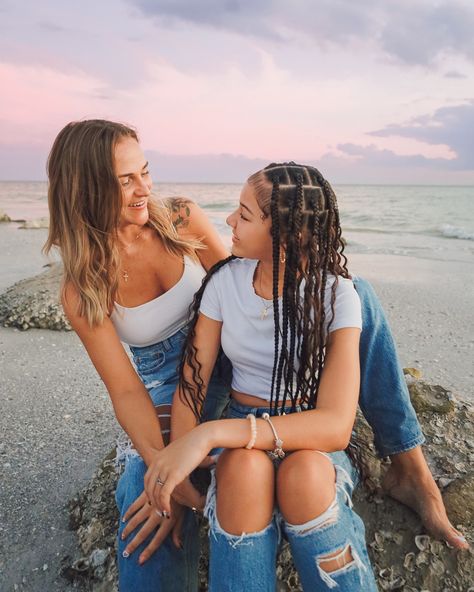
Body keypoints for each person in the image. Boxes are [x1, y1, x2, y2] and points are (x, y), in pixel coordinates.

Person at [44, 121, 467, 590]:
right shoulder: (82, 285)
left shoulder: (179, 217)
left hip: (229, 346)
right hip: (167, 385)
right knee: (147, 501)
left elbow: (243, 277)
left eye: (145, 172)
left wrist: (319, 298)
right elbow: (124, 389)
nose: (145, 188)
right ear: (84, 186)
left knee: (356, 293)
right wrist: (165, 464)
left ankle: (409, 467)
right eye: (126, 180)